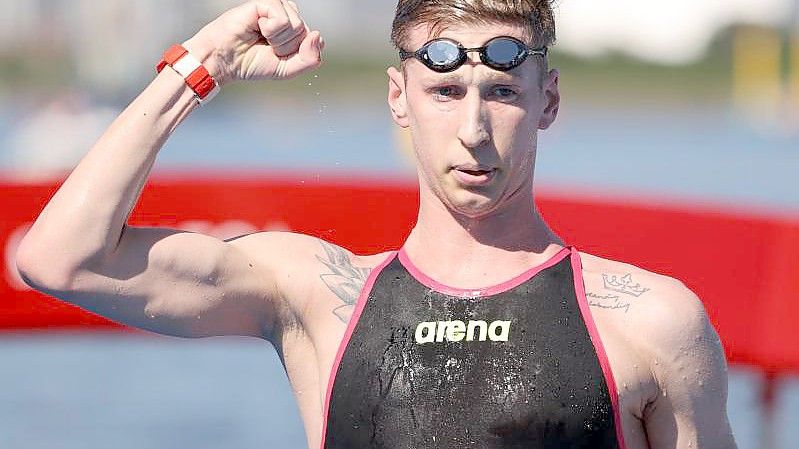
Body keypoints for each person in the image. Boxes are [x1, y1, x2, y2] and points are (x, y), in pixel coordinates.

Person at [16, 1, 738, 448]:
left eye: (503, 93)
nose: (473, 130)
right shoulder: (318, 297)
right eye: (445, 91)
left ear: (547, 100)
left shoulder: (649, 322)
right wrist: (201, 65)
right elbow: (60, 259)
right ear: (399, 97)